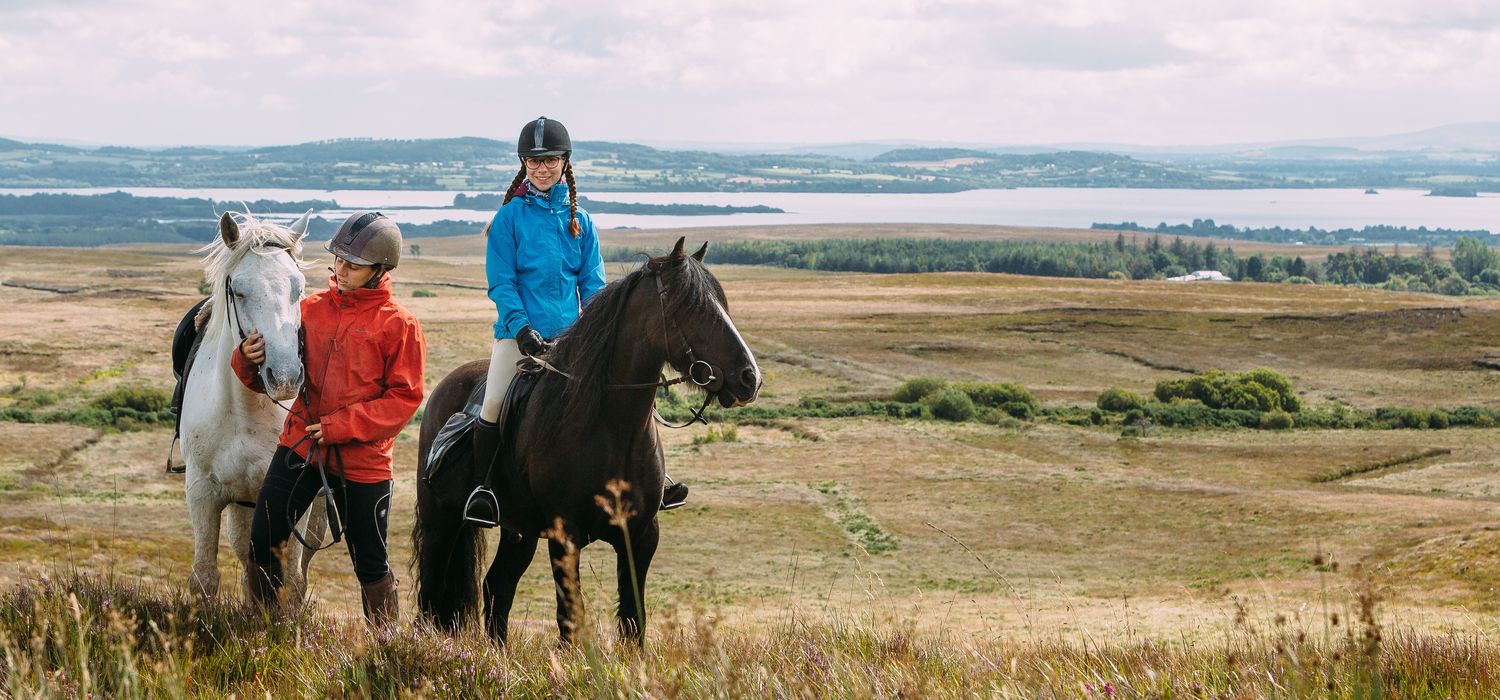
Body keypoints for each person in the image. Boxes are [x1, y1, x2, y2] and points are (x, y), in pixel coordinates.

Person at [466, 116, 688, 527]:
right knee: (494, 402)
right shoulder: (508, 221)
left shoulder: (581, 222)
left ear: (565, 162)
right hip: (521, 337)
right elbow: (502, 283)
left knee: (627, 393)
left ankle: (656, 476)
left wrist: (600, 332)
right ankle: (484, 490)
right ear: (523, 165)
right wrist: (521, 328)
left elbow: (593, 284)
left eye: (550, 160)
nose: (542, 168)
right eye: (533, 162)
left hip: (575, 338)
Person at [234, 211, 425, 627]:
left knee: (370, 564)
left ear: (380, 270)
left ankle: (386, 646)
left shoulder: (401, 326)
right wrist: (247, 361)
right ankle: (262, 631)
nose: (341, 269)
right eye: (338, 260)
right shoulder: (309, 310)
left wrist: (341, 426)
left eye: (352, 265)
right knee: (263, 541)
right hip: (300, 445)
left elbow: (403, 400)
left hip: (364, 461)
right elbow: (277, 372)